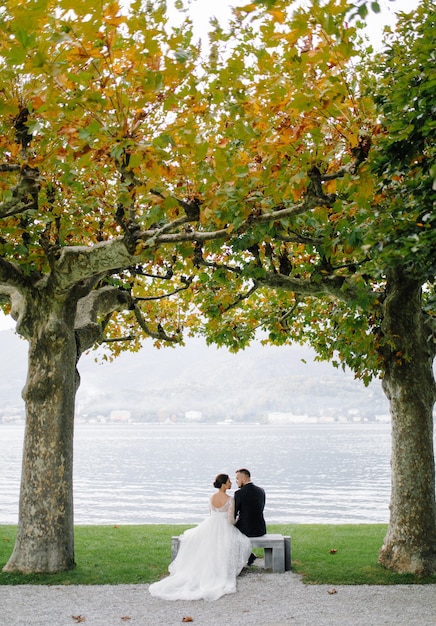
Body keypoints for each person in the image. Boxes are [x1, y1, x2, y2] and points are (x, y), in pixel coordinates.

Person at [148, 473, 252, 601]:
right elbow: (230, 520)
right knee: (238, 542)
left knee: (208, 547)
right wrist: (237, 520)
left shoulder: (211, 498)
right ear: (224, 484)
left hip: (210, 525)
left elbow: (211, 514)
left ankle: (207, 572)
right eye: (229, 481)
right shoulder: (230, 499)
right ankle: (219, 572)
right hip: (224, 527)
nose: (231, 483)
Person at [234, 468, 266, 566]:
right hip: (260, 529)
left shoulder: (239, 493)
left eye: (237, 479)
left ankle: (247, 556)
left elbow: (234, 513)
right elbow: (260, 508)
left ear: (243, 479)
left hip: (245, 530)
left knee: (229, 531)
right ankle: (249, 555)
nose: (236, 481)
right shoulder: (261, 491)